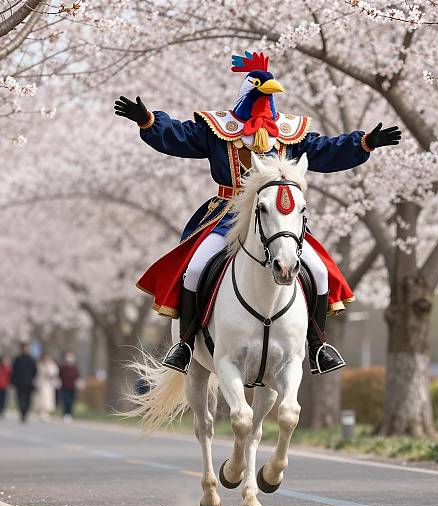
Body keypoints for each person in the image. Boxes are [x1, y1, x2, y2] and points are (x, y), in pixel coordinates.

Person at [114, 50, 401, 375]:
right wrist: (149, 121)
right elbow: (179, 136)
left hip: (276, 219)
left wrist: (364, 142)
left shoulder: (291, 131)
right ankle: (186, 344)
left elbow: (325, 151)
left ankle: (318, 345)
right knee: (194, 270)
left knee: (320, 273)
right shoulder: (217, 128)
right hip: (226, 216)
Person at [11, 343, 37, 422]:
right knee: (20, 399)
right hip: (19, 383)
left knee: (28, 399)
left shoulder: (31, 359)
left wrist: (32, 379)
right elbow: (14, 371)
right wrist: (13, 381)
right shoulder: (17, 359)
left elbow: (35, 371)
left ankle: (25, 413)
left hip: (29, 383)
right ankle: (22, 412)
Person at [34, 353, 60, 421]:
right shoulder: (39, 365)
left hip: (49, 384)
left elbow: (55, 373)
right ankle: (41, 412)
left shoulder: (52, 365)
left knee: (48, 399)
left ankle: (46, 413)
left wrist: (50, 375)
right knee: (41, 399)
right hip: (41, 384)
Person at [59, 351, 80, 421]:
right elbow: (59, 376)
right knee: (65, 401)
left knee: (71, 401)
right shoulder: (63, 368)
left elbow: (78, 377)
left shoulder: (75, 368)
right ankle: (65, 413)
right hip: (64, 387)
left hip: (72, 388)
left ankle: (70, 414)